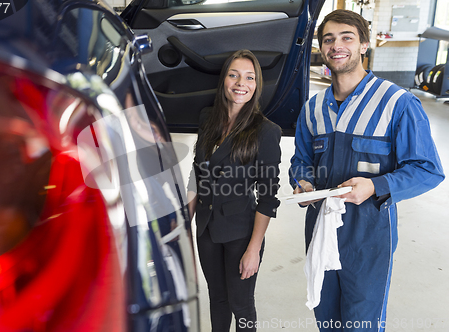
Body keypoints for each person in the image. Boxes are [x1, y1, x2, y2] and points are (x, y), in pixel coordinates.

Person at [289, 9, 445, 331]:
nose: (337, 46)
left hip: (370, 232)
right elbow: (301, 160)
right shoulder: (313, 108)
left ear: (364, 45)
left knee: (362, 321)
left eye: (347, 37)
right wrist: (302, 182)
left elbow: (428, 169)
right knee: (326, 316)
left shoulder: (396, 103)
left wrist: (374, 186)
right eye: (329, 39)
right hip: (321, 226)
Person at [187, 49, 282, 331]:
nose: (241, 83)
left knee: (240, 304)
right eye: (234, 75)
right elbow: (197, 173)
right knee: (217, 299)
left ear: (257, 85)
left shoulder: (265, 131)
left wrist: (254, 249)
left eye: (249, 77)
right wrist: (183, 223)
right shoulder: (208, 119)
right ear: (224, 80)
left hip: (241, 232)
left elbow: (267, 197)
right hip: (206, 228)